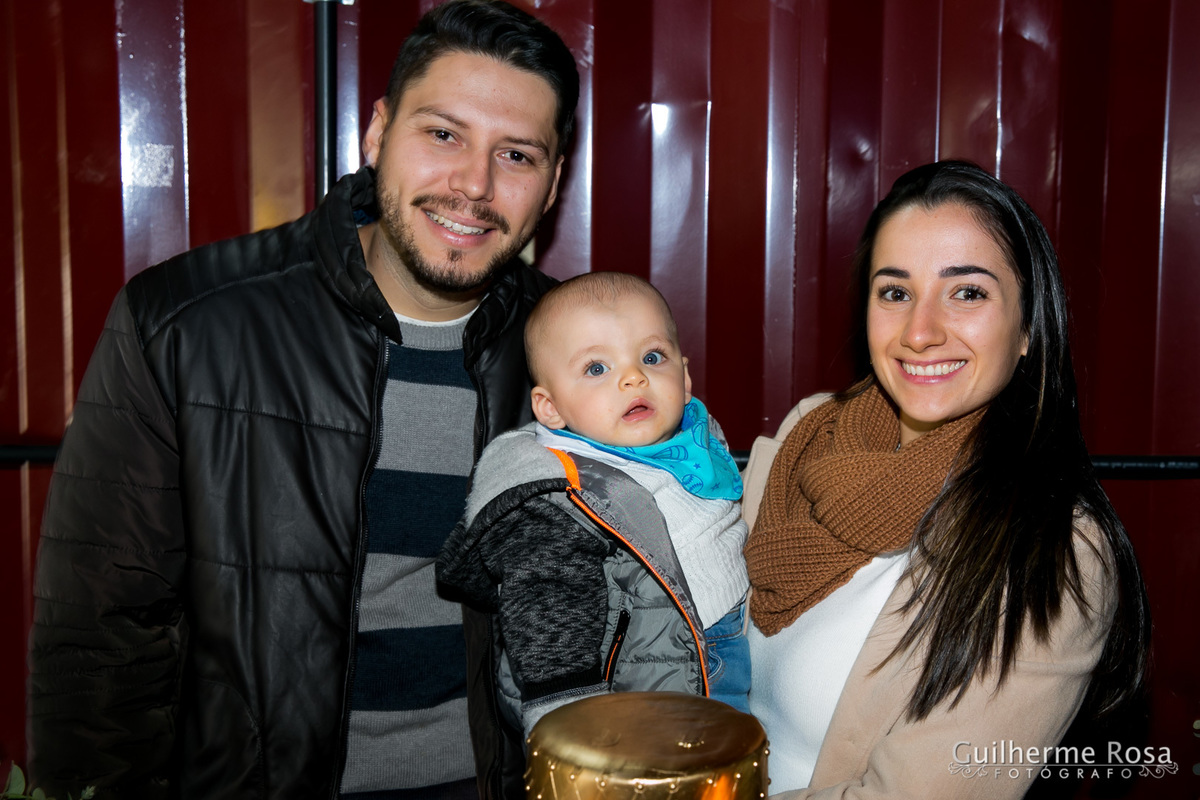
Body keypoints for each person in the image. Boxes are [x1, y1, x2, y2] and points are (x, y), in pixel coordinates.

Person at [26, 2, 578, 798]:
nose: (474, 185)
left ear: (553, 182)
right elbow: (101, 642)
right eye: (443, 134)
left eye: (517, 154)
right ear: (378, 132)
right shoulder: (184, 325)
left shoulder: (585, 361)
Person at [741, 160, 1150, 799]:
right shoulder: (805, 439)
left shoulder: (1054, 550)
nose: (921, 332)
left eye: (967, 292)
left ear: (1028, 329)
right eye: (895, 292)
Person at [437, 272, 751, 787]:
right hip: (632, 702)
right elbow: (546, 619)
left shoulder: (697, 442)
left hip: (715, 666)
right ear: (551, 407)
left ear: (686, 377)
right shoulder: (556, 497)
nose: (633, 379)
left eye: (652, 358)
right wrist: (571, 745)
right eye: (597, 367)